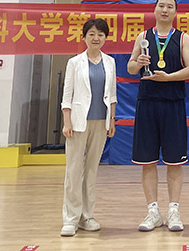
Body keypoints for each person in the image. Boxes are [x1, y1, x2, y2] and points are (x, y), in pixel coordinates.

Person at [127, 0, 189, 232]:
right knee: (148, 162)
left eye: (170, 7)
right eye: (161, 6)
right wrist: (138, 63)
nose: (165, 10)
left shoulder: (183, 38)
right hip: (147, 102)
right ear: (155, 10)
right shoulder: (143, 37)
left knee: (174, 162)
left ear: (175, 12)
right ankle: (153, 211)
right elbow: (130, 67)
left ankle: (174, 211)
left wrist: (168, 78)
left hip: (173, 103)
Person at [60, 18, 117, 236]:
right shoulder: (75, 62)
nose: (96, 38)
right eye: (91, 34)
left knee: (91, 171)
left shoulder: (110, 62)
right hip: (77, 123)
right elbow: (67, 95)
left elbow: (112, 94)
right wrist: (67, 121)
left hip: (101, 122)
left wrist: (112, 120)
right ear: (84, 37)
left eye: (100, 34)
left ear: (105, 38)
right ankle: (70, 219)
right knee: (74, 171)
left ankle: (87, 216)